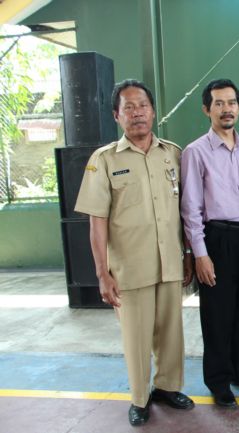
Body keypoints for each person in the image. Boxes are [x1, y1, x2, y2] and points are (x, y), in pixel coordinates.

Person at [75, 79, 195, 426]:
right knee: (136, 337)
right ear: (117, 116)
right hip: (130, 267)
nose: (137, 113)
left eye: (143, 105)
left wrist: (188, 254)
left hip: (169, 261)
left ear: (153, 111)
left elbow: (185, 210)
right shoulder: (104, 160)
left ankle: (168, 387)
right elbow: (97, 221)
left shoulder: (172, 154)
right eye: (128, 107)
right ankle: (140, 398)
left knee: (171, 332)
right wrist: (102, 272)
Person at [180, 79, 239, 409]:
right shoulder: (195, 152)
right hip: (217, 239)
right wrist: (200, 254)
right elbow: (190, 209)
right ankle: (219, 381)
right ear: (206, 109)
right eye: (218, 103)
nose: (226, 109)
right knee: (218, 315)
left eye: (231, 102)